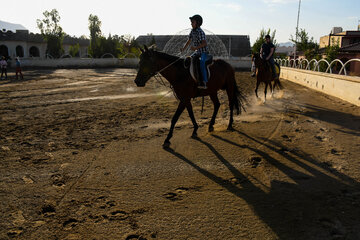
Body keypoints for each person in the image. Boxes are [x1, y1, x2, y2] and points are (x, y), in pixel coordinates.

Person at [181, 14, 210, 89]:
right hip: (197, 52)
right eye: (191, 22)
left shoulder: (200, 32)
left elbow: (204, 43)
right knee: (188, 60)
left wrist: (195, 48)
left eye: (192, 22)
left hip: (203, 52)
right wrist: (183, 49)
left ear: (198, 23)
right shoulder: (192, 31)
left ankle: (204, 82)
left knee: (202, 63)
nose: (191, 24)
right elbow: (189, 40)